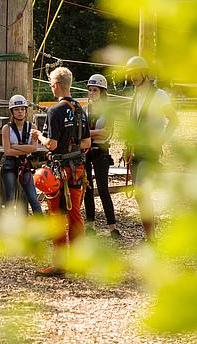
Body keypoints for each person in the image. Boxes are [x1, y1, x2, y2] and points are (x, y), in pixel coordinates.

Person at [31, 67, 91, 277]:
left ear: (55, 85)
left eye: (50, 83)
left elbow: (53, 144)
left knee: (56, 217)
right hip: (77, 169)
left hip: (60, 171)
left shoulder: (54, 111)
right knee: (75, 214)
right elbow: (87, 141)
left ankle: (59, 264)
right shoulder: (80, 110)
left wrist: (39, 135)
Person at [124, 56, 178, 242]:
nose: (132, 77)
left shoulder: (159, 95)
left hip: (150, 152)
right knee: (140, 197)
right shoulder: (136, 96)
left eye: (135, 73)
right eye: (130, 74)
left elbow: (174, 120)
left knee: (141, 192)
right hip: (135, 151)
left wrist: (160, 140)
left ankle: (151, 239)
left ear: (145, 72)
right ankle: (150, 236)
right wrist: (127, 147)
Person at [83, 74, 121, 239]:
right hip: (86, 152)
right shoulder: (85, 110)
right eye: (90, 90)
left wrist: (87, 134)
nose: (92, 93)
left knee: (103, 189)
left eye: (95, 90)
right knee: (87, 188)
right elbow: (83, 133)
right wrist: (91, 134)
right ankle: (90, 225)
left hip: (101, 151)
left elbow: (106, 133)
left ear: (102, 92)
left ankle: (112, 227)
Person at [0, 94, 42, 214]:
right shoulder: (6, 128)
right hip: (9, 164)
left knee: (33, 197)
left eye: (22, 109)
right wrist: (25, 149)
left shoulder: (32, 127)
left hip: (24, 164)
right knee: (10, 199)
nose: (20, 112)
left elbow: (34, 148)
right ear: (12, 112)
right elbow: (7, 151)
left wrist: (16, 146)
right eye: (17, 110)